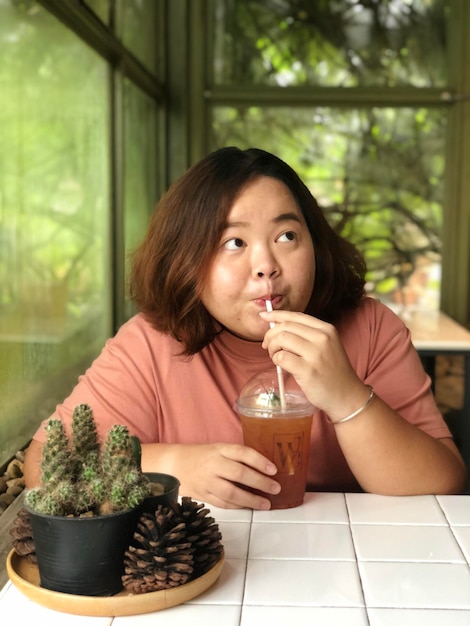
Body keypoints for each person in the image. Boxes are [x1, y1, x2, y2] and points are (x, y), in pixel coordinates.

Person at [24, 147, 467, 508]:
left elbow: (442, 485)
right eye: (233, 242)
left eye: (287, 236)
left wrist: (346, 395)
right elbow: (46, 463)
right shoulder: (151, 344)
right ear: (187, 260)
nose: (266, 266)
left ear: (316, 245)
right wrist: (175, 465)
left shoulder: (371, 329)